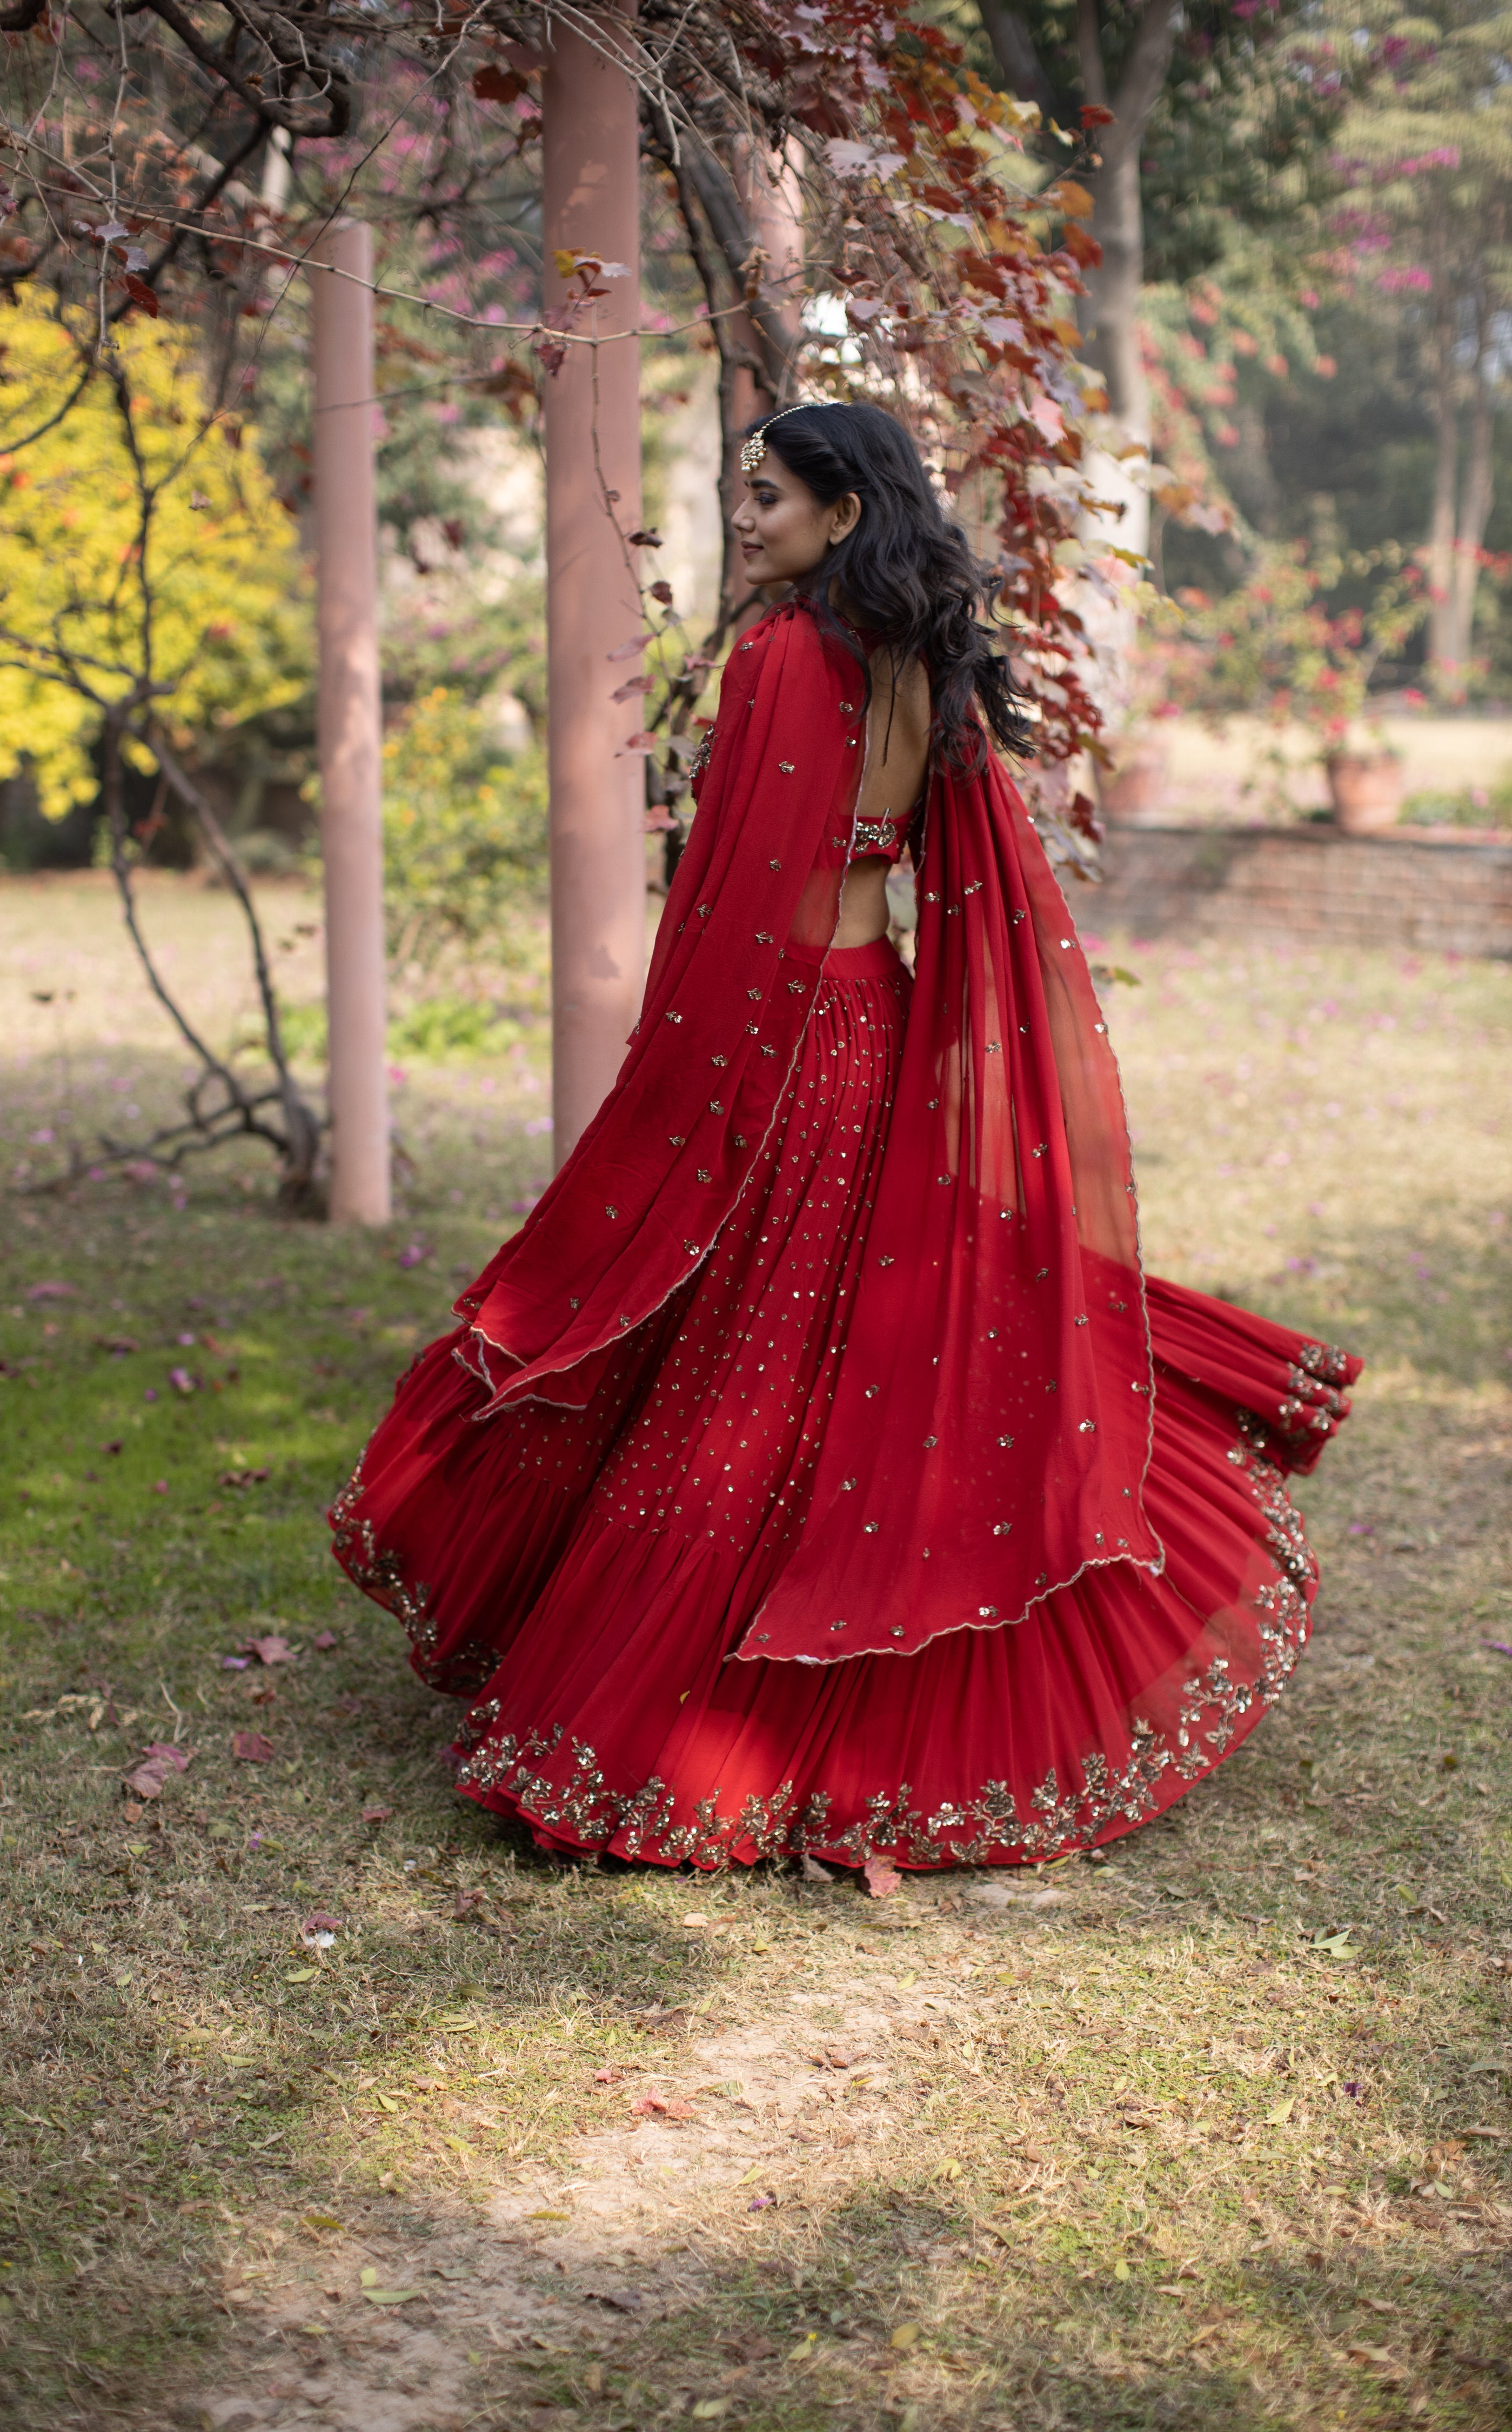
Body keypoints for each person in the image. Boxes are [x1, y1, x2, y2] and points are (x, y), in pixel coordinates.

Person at [330, 401, 1359, 1873]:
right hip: (875, 1027)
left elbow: (740, 912)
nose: (742, 518)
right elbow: (953, 886)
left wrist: (669, 1105)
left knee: (739, 1364)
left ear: (845, 513)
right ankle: (812, 1694)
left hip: (783, 1037)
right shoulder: (919, 664)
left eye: (766, 495)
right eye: (738, 493)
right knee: (831, 1359)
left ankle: (665, 1725)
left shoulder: (775, 659)